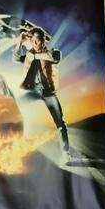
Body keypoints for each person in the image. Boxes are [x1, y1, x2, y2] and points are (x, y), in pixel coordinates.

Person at [14, 25, 70, 162]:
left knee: (60, 124)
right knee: (15, 106)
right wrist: (19, 41)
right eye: (35, 40)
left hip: (48, 93)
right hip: (33, 91)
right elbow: (16, 58)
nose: (37, 43)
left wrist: (33, 55)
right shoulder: (29, 54)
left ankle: (66, 153)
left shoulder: (53, 52)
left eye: (40, 40)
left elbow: (53, 57)